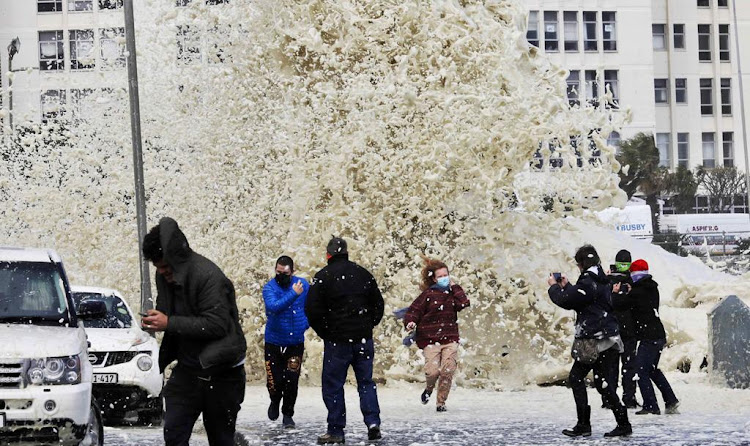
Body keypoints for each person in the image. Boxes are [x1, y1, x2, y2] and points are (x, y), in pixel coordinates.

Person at [141, 217, 247, 446]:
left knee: (221, 439)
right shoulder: (164, 276)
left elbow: (218, 324)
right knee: (174, 435)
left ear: (177, 259)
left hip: (222, 374)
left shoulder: (209, 276)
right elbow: (167, 310)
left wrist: (169, 323)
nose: (162, 272)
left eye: (165, 266)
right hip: (188, 372)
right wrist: (155, 319)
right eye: (158, 267)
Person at [305, 237, 385, 445]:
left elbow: (312, 311)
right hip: (363, 339)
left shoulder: (323, 276)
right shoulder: (362, 273)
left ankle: (336, 430)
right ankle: (373, 423)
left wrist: (327, 332)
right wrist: (367, 326)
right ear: (346, 252)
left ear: (328, 255)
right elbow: (378, 305)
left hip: (337, 342)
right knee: (366, 383)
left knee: (333, 385)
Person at [547, 244, 632, 438]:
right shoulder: (602, 277)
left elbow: (568, 301)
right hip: (608, 338)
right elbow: (586, 298)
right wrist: (568, 286)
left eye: (578, 264)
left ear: (582, 264)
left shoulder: (588, 280)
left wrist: (554, 287)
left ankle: (584, 424)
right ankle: (623, 423)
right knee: (603, 384)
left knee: (576, 378)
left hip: (593, 339)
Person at [403, 258, 470, 412]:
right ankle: (429, 388)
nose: (444, 278)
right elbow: (413, 311)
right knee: (432, 372)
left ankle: (441, 403)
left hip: (450, 338)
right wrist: (410, 323)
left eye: (446, 275)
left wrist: (454, 286)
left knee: (448, 370)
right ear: (433, 278)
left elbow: (464, 303)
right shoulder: (428, 294)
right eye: (440, 276)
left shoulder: (452, 293)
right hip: (430, 340)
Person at [262, 255, 310, 429]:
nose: (281, 275)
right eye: (278, 272)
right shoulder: (269, 288)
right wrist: (293, 294)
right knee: (274, 381)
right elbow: (274, 307)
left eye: (285, 272)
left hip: (295, 342)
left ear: (292, 272)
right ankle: (274, 400)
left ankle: (288, 413)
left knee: (291, 380)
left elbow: (312, 306)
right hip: (273, 342)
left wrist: (305, 323)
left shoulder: (303, 285)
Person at [629, 259, 680, 415]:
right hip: (657, 334)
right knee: (651, 370)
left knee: (641, 370)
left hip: (649, 337)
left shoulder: (638, 291)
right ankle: (670, 400)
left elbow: (623, 303)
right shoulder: (651, 287)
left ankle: (651, 405)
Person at [604, 249, 640, 409]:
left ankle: (609, 398)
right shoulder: (633, 281)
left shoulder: (607, 280)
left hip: (612, 330)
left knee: (611, 367)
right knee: (629, 366)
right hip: (628, 330)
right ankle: (629, 398)